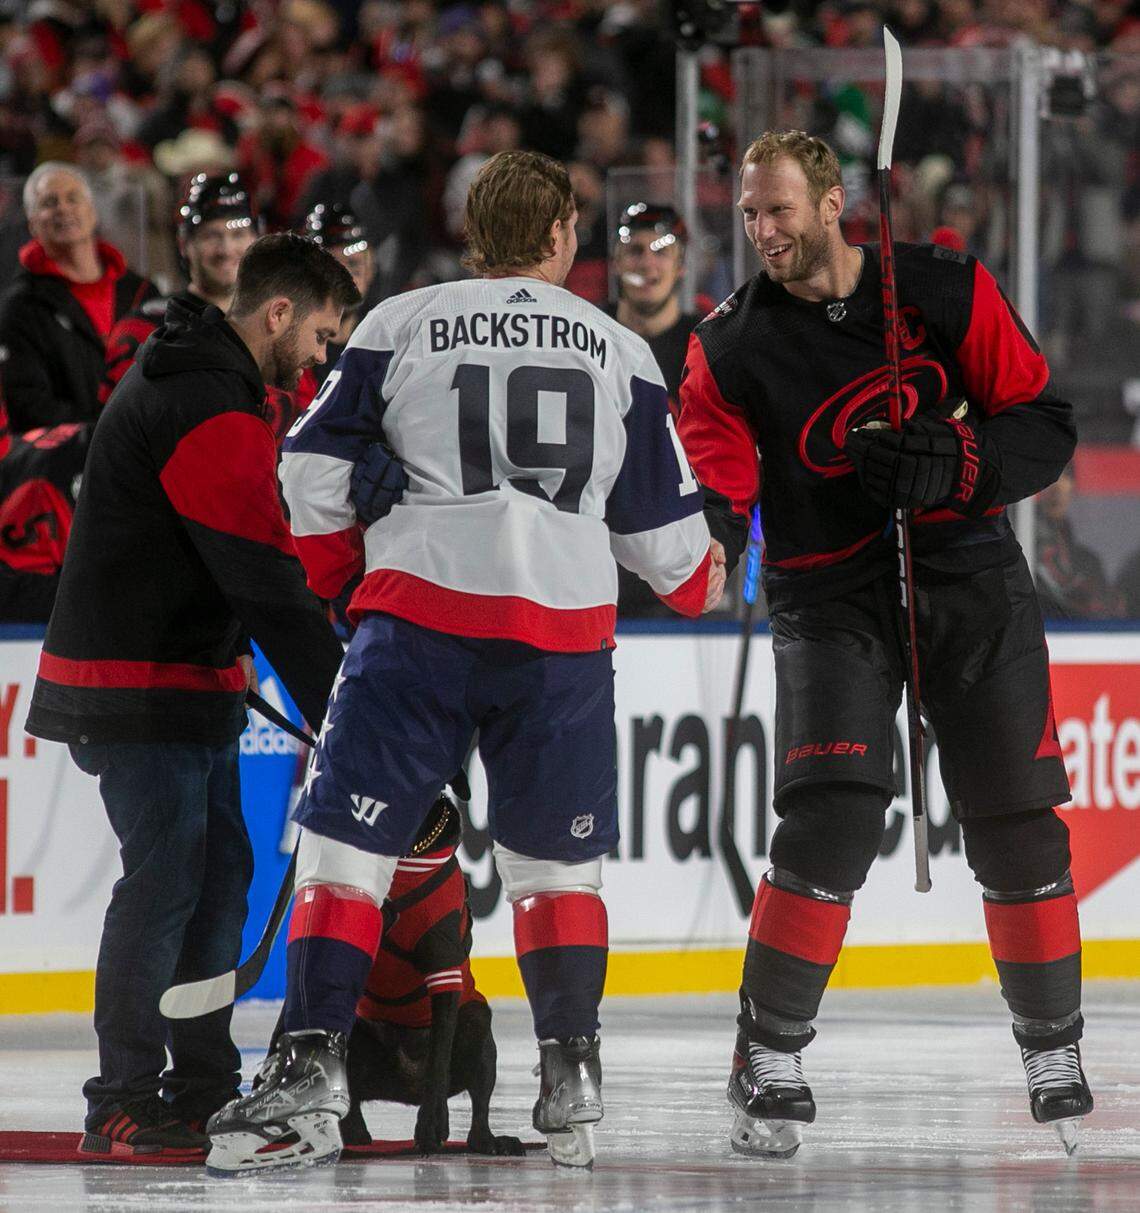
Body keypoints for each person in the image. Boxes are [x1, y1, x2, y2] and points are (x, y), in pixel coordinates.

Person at [207, 150, 725, 1174]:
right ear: (565, 238)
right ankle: (573, 1075)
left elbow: (305, 471)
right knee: (554, 869)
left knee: (345, 857)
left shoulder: (401, 321)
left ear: (472, 231)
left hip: (419, 623)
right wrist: (718, 567)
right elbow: (676, 564)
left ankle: (311, 1066)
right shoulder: (621, 349)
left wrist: (344, 571)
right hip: (562, 640)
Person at [677, 130, 1090, 1159]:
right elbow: (719, 489)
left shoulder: (943, 290)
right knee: (830, 823)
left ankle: (1053, 1044)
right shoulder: (727, 347)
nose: (763, 233)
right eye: (748, 216)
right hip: (828, 598)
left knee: (1019, 819)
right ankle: (767, 1048)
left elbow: (1044, 421)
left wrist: (958, 461)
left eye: (779, 210)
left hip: (970, 581)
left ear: (832, 203)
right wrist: (714, 549)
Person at [24, 234, 360, 1160]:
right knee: (171, 877)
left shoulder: (216, 387)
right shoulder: (201, 401)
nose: (327, 359)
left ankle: (201, 1080)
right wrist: (346, 706)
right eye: (326, 335)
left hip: (178, 682)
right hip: (136, 688)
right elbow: (263, 579)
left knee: (218, 880)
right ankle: (123, 1097)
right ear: (279, 314)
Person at [102, 173, 317, 444]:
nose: (226, 249)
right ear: (184, 244)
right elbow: (123, 431)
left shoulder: (280, 324)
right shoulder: (143, 329)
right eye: (211, 236)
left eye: (238, 234)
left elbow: (308, 421)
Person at [0, 163, 158, 432]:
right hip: (68, 461)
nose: (63, 208)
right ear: (33, 224)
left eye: (73, 198)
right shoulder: (20, 307)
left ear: (93, 212)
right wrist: (103, 434)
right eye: (50, 202)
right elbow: (27, 402)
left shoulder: (143, 294)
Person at [608, 202, 705, 618]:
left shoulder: (707, 346)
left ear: (681, 265)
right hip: (599, 550)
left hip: (677, 553)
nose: (647, 261)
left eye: (661, 250)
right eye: (634, 250)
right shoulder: (588, 336)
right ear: (616, 262)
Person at [299, 202, 376, 387]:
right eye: (330, 268)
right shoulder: (291, 353)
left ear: (371, 270)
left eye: (354, 265)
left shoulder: (384, 342)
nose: (344, 279)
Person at [1035, 464, 1124, 620]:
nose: (1057, 487)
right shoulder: (1024, 550)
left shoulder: (1088, 562)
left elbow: (1107, 607)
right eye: (1050, 478)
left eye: (1066, 477)